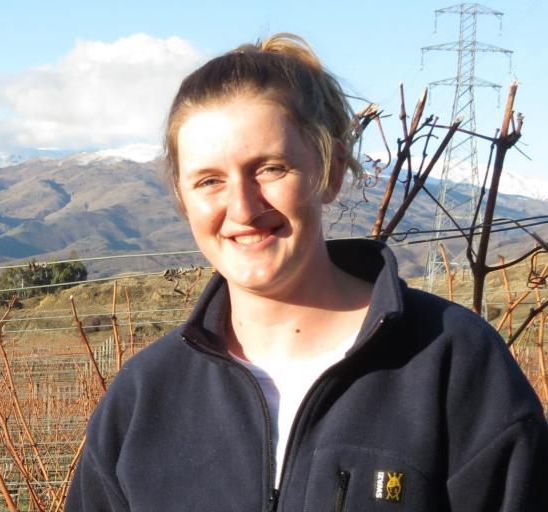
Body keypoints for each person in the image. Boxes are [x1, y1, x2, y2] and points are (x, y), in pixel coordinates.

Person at [66, 33, 548, 511]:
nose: (243, 207)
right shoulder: (145, 396)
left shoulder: (451, 362)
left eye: (270, 169)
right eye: (209, 181)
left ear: (331, 170)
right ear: (181, 197)